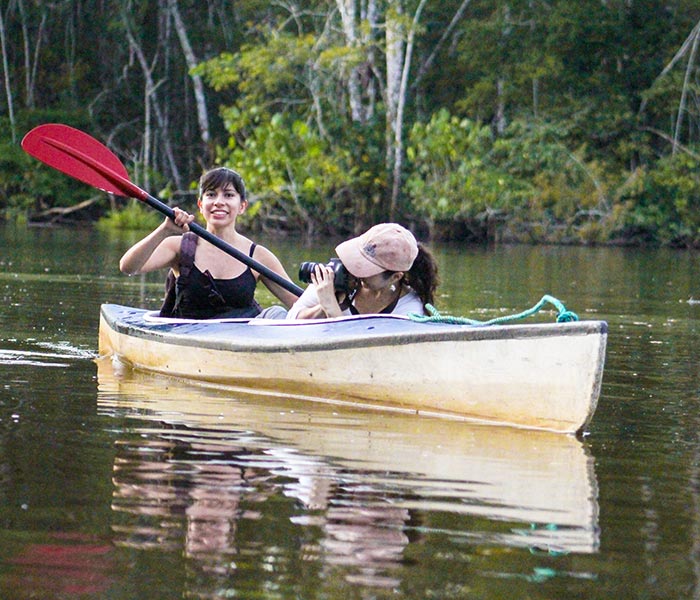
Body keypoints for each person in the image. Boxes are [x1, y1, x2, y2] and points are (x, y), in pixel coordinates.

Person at [119, 167, 298, 319]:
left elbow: (299, 306)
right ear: (200, 204)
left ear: (242, 206)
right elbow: (128, 267)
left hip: (243, 341)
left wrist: (325, 298)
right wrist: (164, 230)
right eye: (211, 195)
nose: (219, 202)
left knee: (277, 314)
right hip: (190, 339)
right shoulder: (179, 247)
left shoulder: (258, 256)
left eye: (228, 195)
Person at [286, 223, 439, 319]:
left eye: (367, 270)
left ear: (395, 277)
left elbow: (363, 358)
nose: (356, 272)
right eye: (359, 261)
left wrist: (333, 311)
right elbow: (290, 321)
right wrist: (322, 306)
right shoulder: (339, 276)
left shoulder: (409, 311)